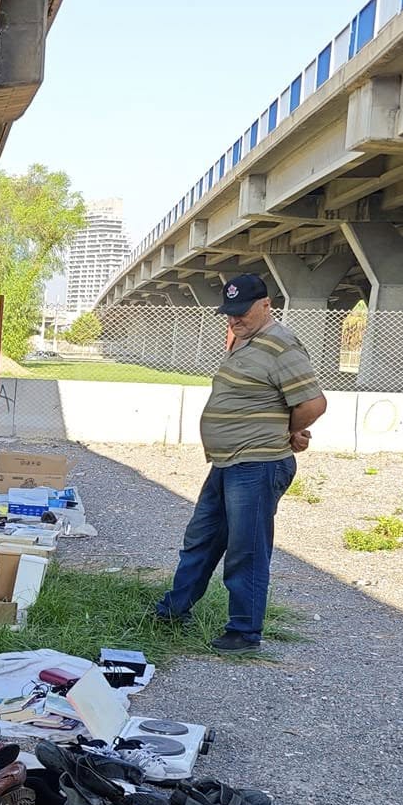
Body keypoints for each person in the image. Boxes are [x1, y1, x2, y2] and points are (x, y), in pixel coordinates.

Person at [154, 272, 327, 652]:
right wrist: (282, 426)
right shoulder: (247, 341)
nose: (234, 319)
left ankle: (244, 632)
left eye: (242, 312)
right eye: (229, 313)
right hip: (229, 462)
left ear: (266, 305)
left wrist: (285, 431)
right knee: (201, 538)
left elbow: (313, 403)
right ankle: (173, 610)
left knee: (246, 549)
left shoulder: (282, 344)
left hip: (257, 463)